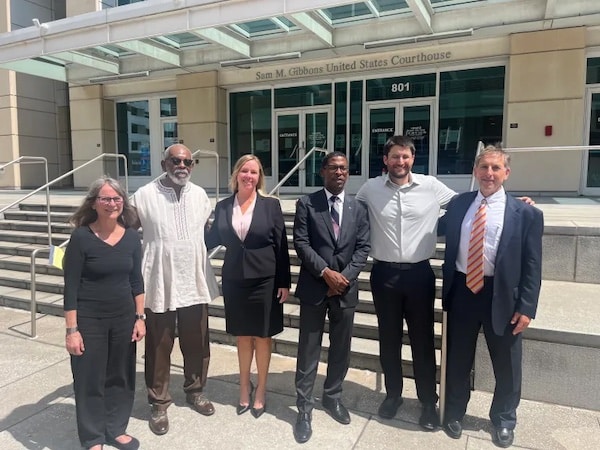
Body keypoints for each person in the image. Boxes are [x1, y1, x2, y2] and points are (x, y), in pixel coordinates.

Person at [439, 145, 543, 448]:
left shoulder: (526, 213)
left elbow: (533, 265)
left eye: (496, 168)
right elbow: (431, 226)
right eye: (484, 167)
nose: (489, 174)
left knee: (508, 365)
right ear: (475, 171)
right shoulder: (459, 204)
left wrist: (527, 307)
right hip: (462, 292)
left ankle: (504, 419)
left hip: (504, 298)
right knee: (458, 360)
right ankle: (455, 411)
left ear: (506, 173)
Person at [356, 135, 455, 430]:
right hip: (384, 274)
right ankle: (393, 395)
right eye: (395, 157)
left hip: (419, 275)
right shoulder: (370, 188)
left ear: (413, 159)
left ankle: (427, 401)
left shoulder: (431, 186)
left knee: (422, 341)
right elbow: (350, 217)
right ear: (385, 160)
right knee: (388, 339)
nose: (401, 162)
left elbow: (466, 205)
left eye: (406, 156)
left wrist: (516, 201)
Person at [131, 144, 219, 436]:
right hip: (159, 279)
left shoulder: (200, 195)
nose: (182, 165)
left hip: (193, 277)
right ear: (163, 162)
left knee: (197, 340)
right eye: (175, 160)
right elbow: (125, 231)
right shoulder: (144, 195)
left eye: (188, 161)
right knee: (159, 344)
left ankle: (195, 390)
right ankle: (158, 401)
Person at [292, 151, 370, 443]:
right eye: (334, 168)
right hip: (315, 287)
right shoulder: (306, 204)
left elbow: (363, 247)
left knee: (341, 348)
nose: (339, 173)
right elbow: (301, 243)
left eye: (344, 169)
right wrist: (325, 273)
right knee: (308, 350)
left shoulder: (358, 207)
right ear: (323, 171)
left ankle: (332, 396)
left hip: (345, 290)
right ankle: (304, 407)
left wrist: (344, 277)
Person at [205, 154, 291, 419]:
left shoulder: (270, 206)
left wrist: (284, 281)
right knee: (242, 336)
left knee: (263, 337)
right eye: (245, 171)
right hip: (234, 280)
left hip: (265, 281)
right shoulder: (222, 206)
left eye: (254, 172)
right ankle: (244, 386)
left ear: (259, 177)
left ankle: (261, 389)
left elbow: (281, 245)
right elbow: (209, 240)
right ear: (236, 174)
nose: (249, 176)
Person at [63, 177, 145, 450]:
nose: (112, 203)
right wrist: (72, 330)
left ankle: (115, 428)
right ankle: (93, 437)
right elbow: (71, 286)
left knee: (120, 377)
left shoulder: (132, 237)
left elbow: (137, 281)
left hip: (123, 318)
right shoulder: (81, 237)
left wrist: (140, 317)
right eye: (105, 199)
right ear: (94, 203)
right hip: (89, 320)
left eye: (117, 198)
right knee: (90, 379)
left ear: (124, 202)